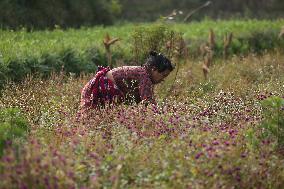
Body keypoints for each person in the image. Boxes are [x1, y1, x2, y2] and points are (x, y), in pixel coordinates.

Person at [78, 51, 174, 117]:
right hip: (100, 88)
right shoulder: (144, 77)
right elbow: (148, 101)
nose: (163, 79)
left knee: (94, 118)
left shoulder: (142, 74)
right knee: (91, 118)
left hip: (96, 87)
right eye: (163, 75)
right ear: (154, 69)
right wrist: (163, 116)